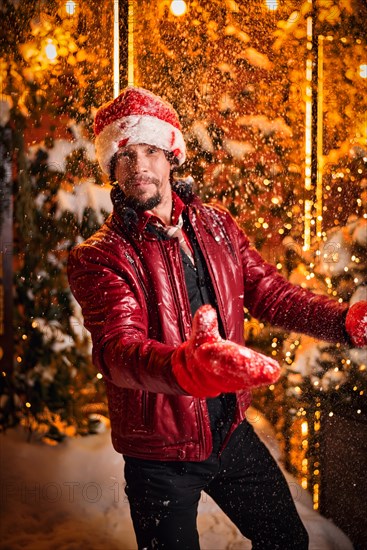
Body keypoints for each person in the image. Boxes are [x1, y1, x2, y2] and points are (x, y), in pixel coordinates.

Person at [67, 87, 367, 550]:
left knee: (288, 541)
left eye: (150, 151)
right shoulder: (100, 257)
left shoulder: (217, 226)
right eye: (125, 155)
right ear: (113, 167)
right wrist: (183, 367)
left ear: (172, 157)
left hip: (229, 432)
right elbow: (117, 350)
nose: (140, 165)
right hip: (160, 455)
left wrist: (343, 321)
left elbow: (270, 293)